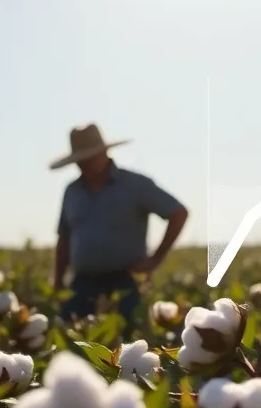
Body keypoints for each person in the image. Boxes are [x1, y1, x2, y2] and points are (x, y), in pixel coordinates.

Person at [49, 123, 188, 326]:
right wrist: (58, 281)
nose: (85, 164)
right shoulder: (72, 192)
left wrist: (156, 258)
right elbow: (64, 238)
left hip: (126, 282)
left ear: (105, 153)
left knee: (128, 343)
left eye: (90, 158)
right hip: (81, 284)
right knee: (68, 337)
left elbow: (178, 213)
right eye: (80, 161)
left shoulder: (135, 185)